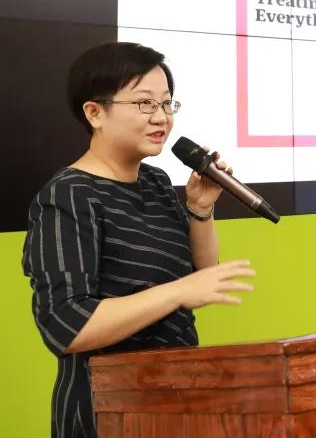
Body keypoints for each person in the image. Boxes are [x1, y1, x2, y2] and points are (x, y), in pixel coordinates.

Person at [21, 42, 255, 437]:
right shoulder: (68, 196)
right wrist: (177, 292)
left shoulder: (156, 182)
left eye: (166, 103)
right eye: (145, 103)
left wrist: (200, 208)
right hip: (107, 411)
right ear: (95, 113)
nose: (161, 117)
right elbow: (66, 325)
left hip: (175, 400)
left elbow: (199, 279)